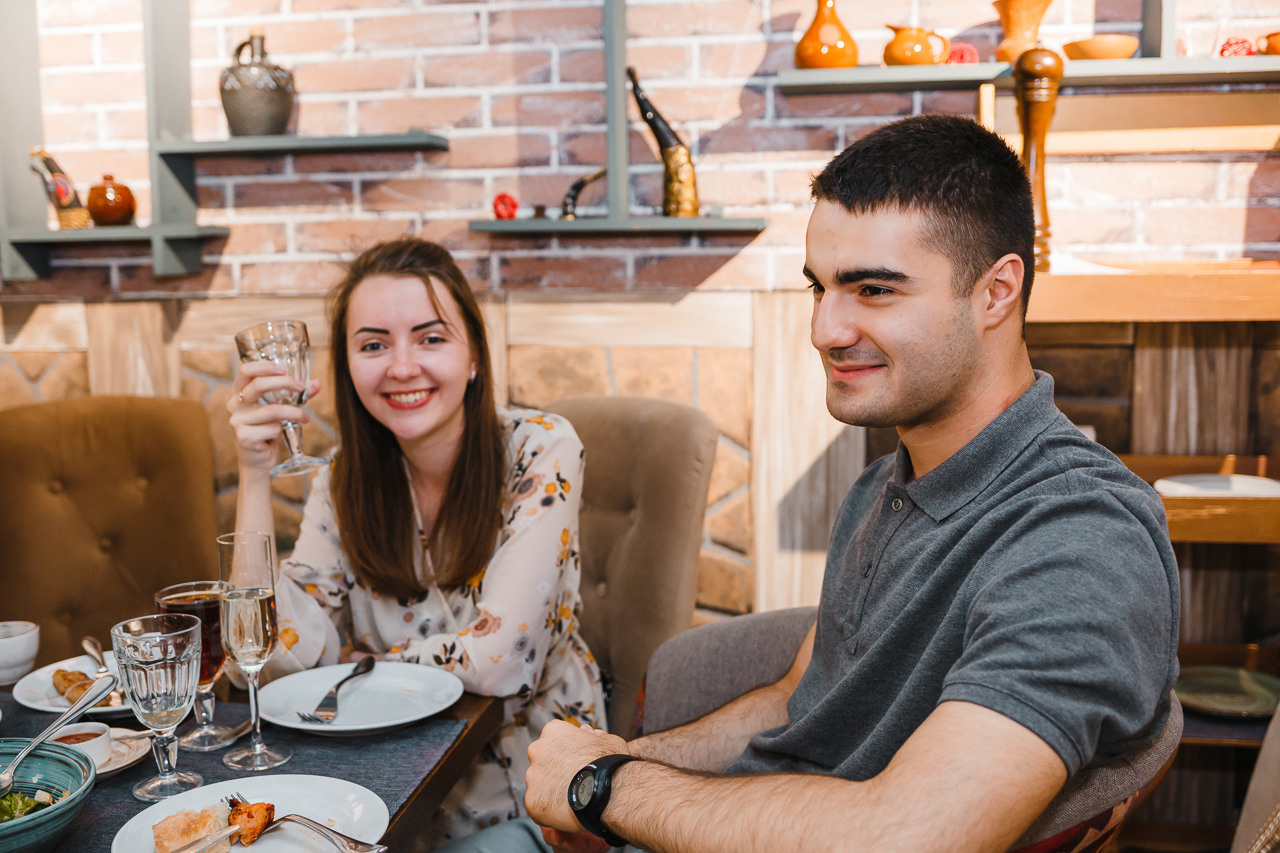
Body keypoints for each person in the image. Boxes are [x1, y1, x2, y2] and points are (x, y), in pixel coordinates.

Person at [452, 114, 1181, 853]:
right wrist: (621, 766)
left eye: (872, 290)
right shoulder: (881, 490)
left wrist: (605, 790)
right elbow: (792, 700)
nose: (825, 328)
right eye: (820, 287)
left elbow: (912, 837)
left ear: (996, 293)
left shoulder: (1081, 536)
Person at [228, 237, 607, 844]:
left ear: (474, 356)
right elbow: (276, 658)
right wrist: (253, 472)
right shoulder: (339, 480)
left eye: (430, 338)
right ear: (349, 369)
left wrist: (359, 667)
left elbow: (500, 661)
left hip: (537, 790)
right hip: (383, 789)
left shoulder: (543, 448)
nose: (402, 366)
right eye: (374, 345)